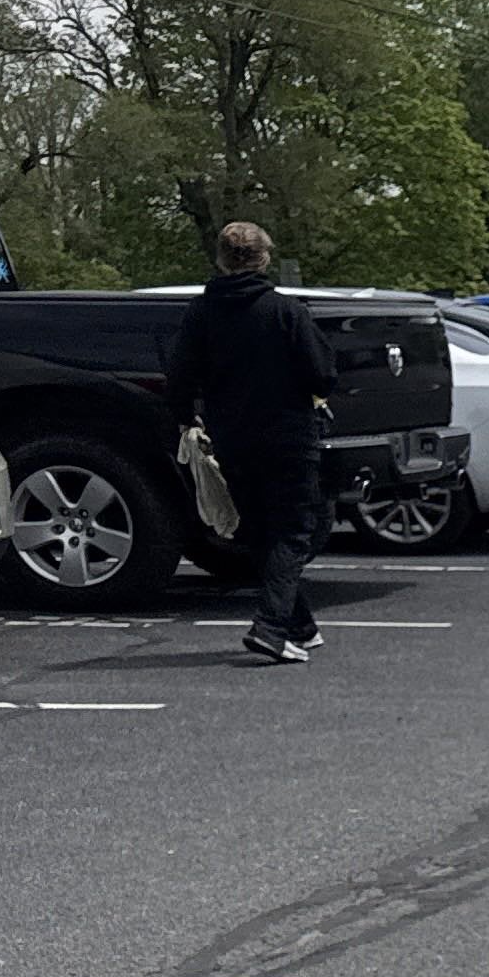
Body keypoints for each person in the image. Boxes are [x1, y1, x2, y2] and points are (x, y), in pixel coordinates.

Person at [165, 220, 338, 664]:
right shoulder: (285, 311)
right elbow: (322, 374)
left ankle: (300, 625)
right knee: (294, 531)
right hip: (289, 433)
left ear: (221, 260)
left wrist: (188, 417)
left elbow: (180, 374)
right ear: (263, 259)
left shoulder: (201, 313)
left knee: (260, 530)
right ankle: (272, 627)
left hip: (232, 435)